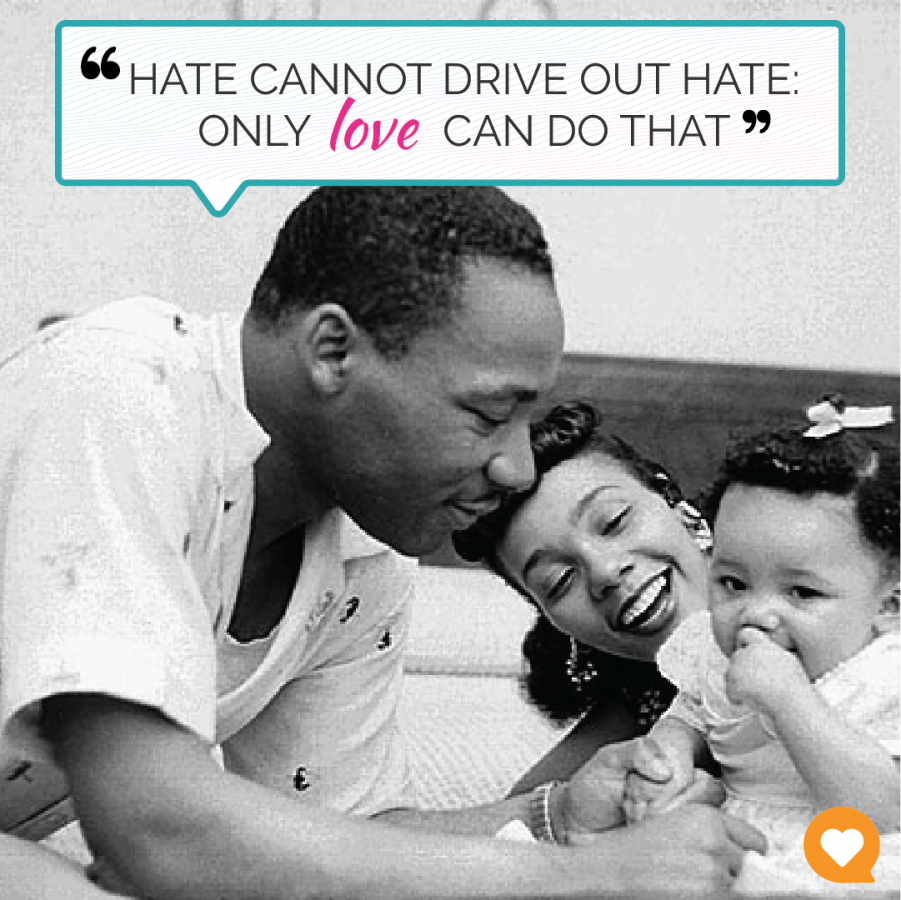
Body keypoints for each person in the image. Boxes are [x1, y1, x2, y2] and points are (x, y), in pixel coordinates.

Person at [0, 187, 762, 899]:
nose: (515, 465)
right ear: (333, 350)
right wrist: (577, 879)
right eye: (487, 413)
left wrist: (556, 815)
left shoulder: (367, 551)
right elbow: (153, 832)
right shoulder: (118, 392)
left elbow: (351, 842)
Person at [615, 397, 901, 893]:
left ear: (890, 605)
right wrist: (671, 751)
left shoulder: (884, 675)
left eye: (802, 592)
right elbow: (694, 713)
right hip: (736, 834)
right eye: (733, 582)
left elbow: (883, 812)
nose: (756, 613)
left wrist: (792, 702)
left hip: (852, 846)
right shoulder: (711, 649)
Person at [454, 399, 715, 789]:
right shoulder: (640, 718)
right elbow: (516, 819)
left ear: (680, 510)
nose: (605, 572)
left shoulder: (831, 616)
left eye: (613, 522)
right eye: (559, 581)